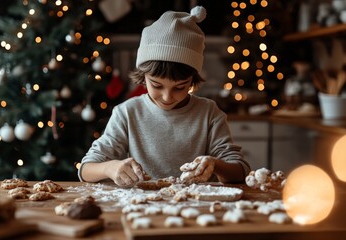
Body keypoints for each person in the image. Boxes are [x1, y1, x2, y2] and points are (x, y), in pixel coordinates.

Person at [78, 6, 251, 187]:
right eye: (157, 85)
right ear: (143, 76)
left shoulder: (209, 114)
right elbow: (85, 169)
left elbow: (240, 170)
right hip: (144, 208)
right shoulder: (127, 113)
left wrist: (215, 165)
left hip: (198, 208)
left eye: (180, 87)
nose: (167, 97)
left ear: (192, 80)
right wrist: (110, 168)